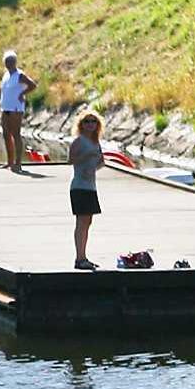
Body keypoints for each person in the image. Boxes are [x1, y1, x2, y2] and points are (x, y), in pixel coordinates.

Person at [67, 111, 105, 271]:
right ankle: (79, 258)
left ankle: (84, 256)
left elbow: (101, 161)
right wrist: (86, 157)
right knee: (81, 222)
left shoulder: (96, 141)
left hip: (91, 186)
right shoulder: (78, 141)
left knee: (88, 222)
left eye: (93, 122)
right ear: (81, 124)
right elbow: (71, 160)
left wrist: (96, 165)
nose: (90, 124)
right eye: (87, 122)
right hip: (79, 186)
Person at [0, 50, 37, 171]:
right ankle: (9, 162)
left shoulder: (19, 75)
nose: (8, 64)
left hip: (16, 108)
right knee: (6, 134)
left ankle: (18, 162)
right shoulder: (6, 75)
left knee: (16, 134)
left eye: (10, 62)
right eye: (6, 62)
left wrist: (22, 94)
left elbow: (32, 85)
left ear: (15, 62)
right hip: (5, 108)